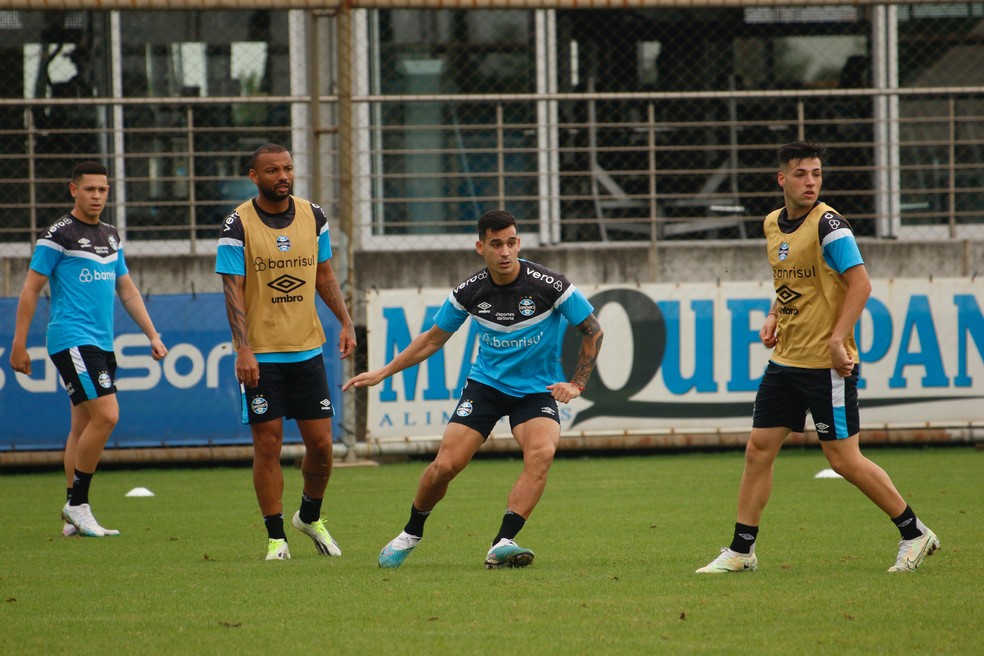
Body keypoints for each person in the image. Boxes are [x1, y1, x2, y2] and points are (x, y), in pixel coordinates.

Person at [696, 142, 940, 574]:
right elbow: (790, 281)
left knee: (843, 459)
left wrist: (837, 339)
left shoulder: (831, 225)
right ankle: (741, 550)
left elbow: (860, 284)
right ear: (782, 179)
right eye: (802, 173)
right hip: (785, 362)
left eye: (817, 174)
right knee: (758, 451)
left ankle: (914, 531)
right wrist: (773, 314)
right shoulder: (773, 223)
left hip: (826, 367)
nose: (811, 181)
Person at [343, 209, 604, 569]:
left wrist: (577, 384)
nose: (505, 252)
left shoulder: (551, 285)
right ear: (480, 247)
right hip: (486, 386)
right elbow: (432, 340)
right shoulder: (470, 291)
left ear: (519, 242)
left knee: (542, 453)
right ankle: (411, 533)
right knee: (445, 466)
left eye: (511, 242)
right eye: (496, 244)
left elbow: (592, 329)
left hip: (535, 390)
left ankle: (503, 542)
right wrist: (383, 372)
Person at [9, 161, 168, 538]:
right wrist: (19, 343)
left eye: (103, 189)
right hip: (72, 338)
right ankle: (78, 504)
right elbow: (31, 289)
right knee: (108, 415)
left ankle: (73, 516)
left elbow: (126, 289)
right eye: (90, 189)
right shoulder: (57, 235)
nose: (97, 195)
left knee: (81, 425)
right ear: (73, 190)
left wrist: (153, 334)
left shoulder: (111, 236)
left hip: (101, 342)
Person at [215, 143, 356, 561]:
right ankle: (277, 538)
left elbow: (324, 274)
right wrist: (243, 349)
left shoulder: (314, 216)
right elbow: (232, 290)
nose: (283, 176)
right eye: (273, 170)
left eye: (288, 168)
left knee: (322, 446)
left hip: (307, 350)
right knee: (268, 445)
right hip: (261, 355)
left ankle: (309, 516)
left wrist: (346, 322)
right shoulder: (236, 223)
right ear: (254, 176)